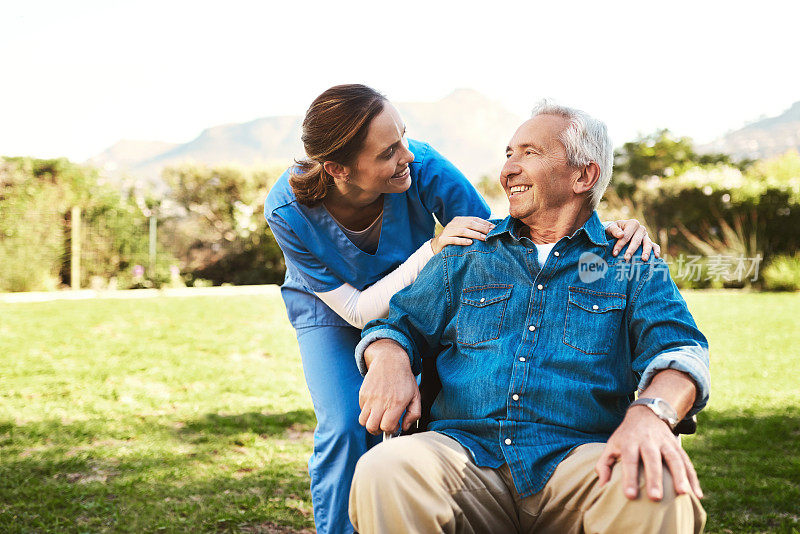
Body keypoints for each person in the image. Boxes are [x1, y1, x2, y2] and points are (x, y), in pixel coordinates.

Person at [264, 85, 660, 534]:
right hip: (335, 310)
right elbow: (359, 311)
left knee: (423, 410)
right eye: (389, 151)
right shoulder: (286, 210)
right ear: (338, 168)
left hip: (427, 291)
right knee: (345, 427)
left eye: (404, 138)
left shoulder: (424, 165)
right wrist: (394, 342)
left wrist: (595, 236)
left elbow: (500, 244)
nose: (406, 155)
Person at [350, 101, 710, 534]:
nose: (509, 169)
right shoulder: (467, 254)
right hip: (465, 455)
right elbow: (397, 325)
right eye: (508, 154)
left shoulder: (630, 262)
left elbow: (680, 351)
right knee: (385, 469)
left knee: (659, 484)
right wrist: (388, 358)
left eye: (530, 153)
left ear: (584, 175)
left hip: (580, 460)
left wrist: (651, 414)